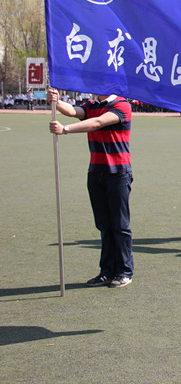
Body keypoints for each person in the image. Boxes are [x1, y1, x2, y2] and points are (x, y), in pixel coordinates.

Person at [46, 87, 134, 288]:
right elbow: (73, 111)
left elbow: (97, 123)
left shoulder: (122, 105)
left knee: (120, 225)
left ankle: (124, 271)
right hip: (96, 171)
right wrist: (56, 102)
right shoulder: (92, 105)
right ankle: (107, 271)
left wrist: (65, 129)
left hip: (118, 173)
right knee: (104, 225)